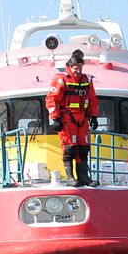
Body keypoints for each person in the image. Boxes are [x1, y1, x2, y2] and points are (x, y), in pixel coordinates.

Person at [45, 49, 100, 187]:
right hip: (67, 119)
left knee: (83, 148)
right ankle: (70, 178)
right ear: (70, 66)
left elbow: (92, 99)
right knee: (69, 148)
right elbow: (51, 99)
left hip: (83, 120)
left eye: (80, 68)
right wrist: (55, 118)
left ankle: (83, 177)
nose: (78, 71)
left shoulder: (87, 80)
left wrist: (93, 116)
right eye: (76, 68)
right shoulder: (61, 79)